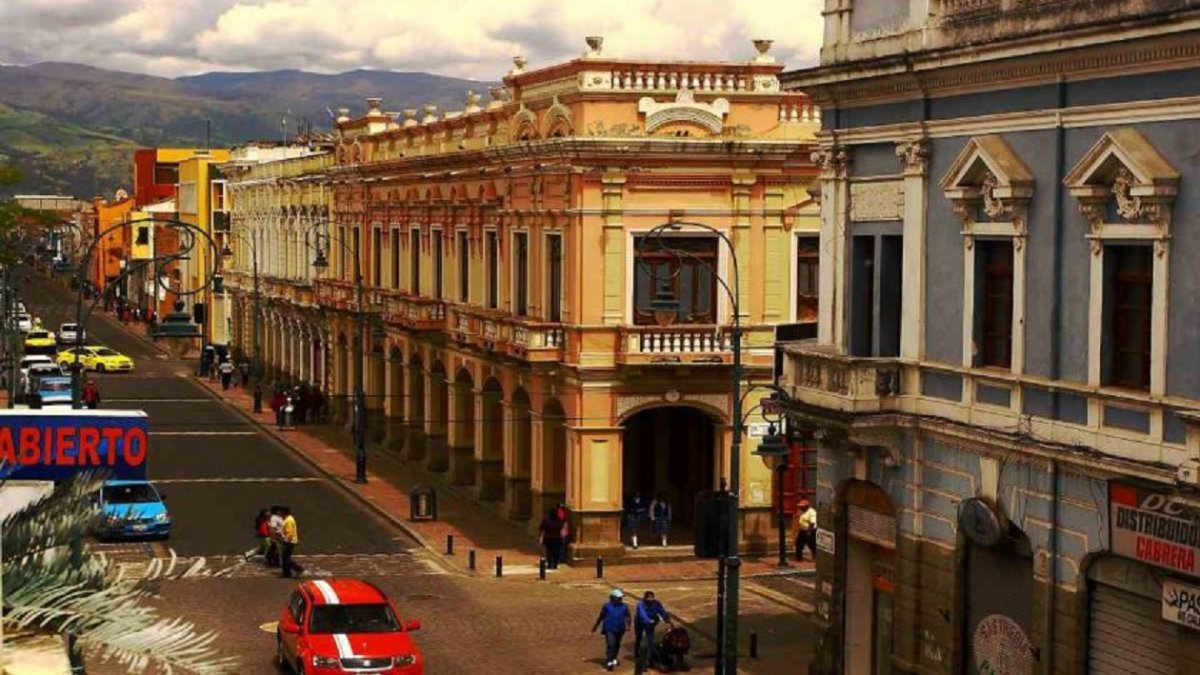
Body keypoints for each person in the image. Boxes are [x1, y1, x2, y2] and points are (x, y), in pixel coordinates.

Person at [591, 589, 631, 671]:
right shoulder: (607, 606)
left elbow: (628, 616)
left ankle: (614, 658)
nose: (620, 599)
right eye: (618, 598)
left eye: (621, 598)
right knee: (611, 644)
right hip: (609, 628)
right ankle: (609, 660)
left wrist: (628, 626)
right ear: (613, 598)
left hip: (620, 628)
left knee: (617, 644)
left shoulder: (624, 606)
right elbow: (601, 616)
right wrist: (595, 626)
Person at [634, 591, 673, 667]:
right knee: (639, 637)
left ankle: (651, 656)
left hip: (651, 623)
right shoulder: (640, 604)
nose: (650, 599)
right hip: (640, 623)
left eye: (652, 597)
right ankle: (637, 653)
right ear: (645, 598)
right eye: (649, 598)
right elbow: (642, 615)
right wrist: (648, 620)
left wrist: (667, 620)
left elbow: (662, 611)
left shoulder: (656, 603)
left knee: (650, 639)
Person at [279, 506, 303, 578]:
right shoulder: (287, 519)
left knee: (286, 557)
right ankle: (287, 573)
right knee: (285, 557)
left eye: (281, 512)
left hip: (289, 542)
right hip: (289, 541)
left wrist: (286, 541)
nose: (280, 513)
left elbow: (289, 532)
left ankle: (298, 568)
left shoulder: (289, 520)